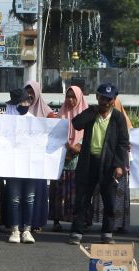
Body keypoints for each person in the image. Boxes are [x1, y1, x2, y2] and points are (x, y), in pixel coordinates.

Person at [68, 83, 129, 245]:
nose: (105, 102)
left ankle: (107, 232)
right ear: (97, 97)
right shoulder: (91, 112)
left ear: (114, 100)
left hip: (108, 164)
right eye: (102, 98)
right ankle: (77, 231)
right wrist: (92, 112)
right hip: (88, 162)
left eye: (109, 99)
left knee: (109, 199)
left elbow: (123, 143)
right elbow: (76, 123)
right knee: (82, 198)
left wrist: (119, 165)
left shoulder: (117, 117)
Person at [91, 97, 133, 233]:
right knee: (107, 198)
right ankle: (107, 226)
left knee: (115, 199)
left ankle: (118, 225)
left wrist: (120, 164)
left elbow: (126, 142)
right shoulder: (99, 117)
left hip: (119, 166)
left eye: (114, 104)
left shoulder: (121, 120)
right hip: (105, 164)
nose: (110, 106)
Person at [50, 86, 88, 232]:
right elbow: (54, 134)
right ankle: (56, 220)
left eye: (73, 97)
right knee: (58, 192)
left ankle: (76, 221)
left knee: (76, 193)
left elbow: (89, 135)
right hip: (61, 158)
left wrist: (78, 146)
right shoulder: (61, 114)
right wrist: (65, 146)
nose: (70, 100)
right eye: (68, 96)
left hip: (78, 161)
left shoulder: (86, 114)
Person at [3, 88, 37, 244]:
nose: (22, 104)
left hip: (30, 165)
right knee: (15, 199)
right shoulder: (5, 119)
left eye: (24, 101)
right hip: (13, 165)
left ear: (29, 102)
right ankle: (15, 230)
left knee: (29, 198)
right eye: (18, 102)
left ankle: (27, 230)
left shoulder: (34, 120)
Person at [25, 80, 55, 232]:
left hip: (39, 158)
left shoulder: (47, 112)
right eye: (27, 91)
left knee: (38, 190)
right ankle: (22, 221)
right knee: (22, 191)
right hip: (22, 158)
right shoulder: (20, 109)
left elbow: (54, 133)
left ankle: (37, 222)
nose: (29, 94)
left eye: (32, 91)